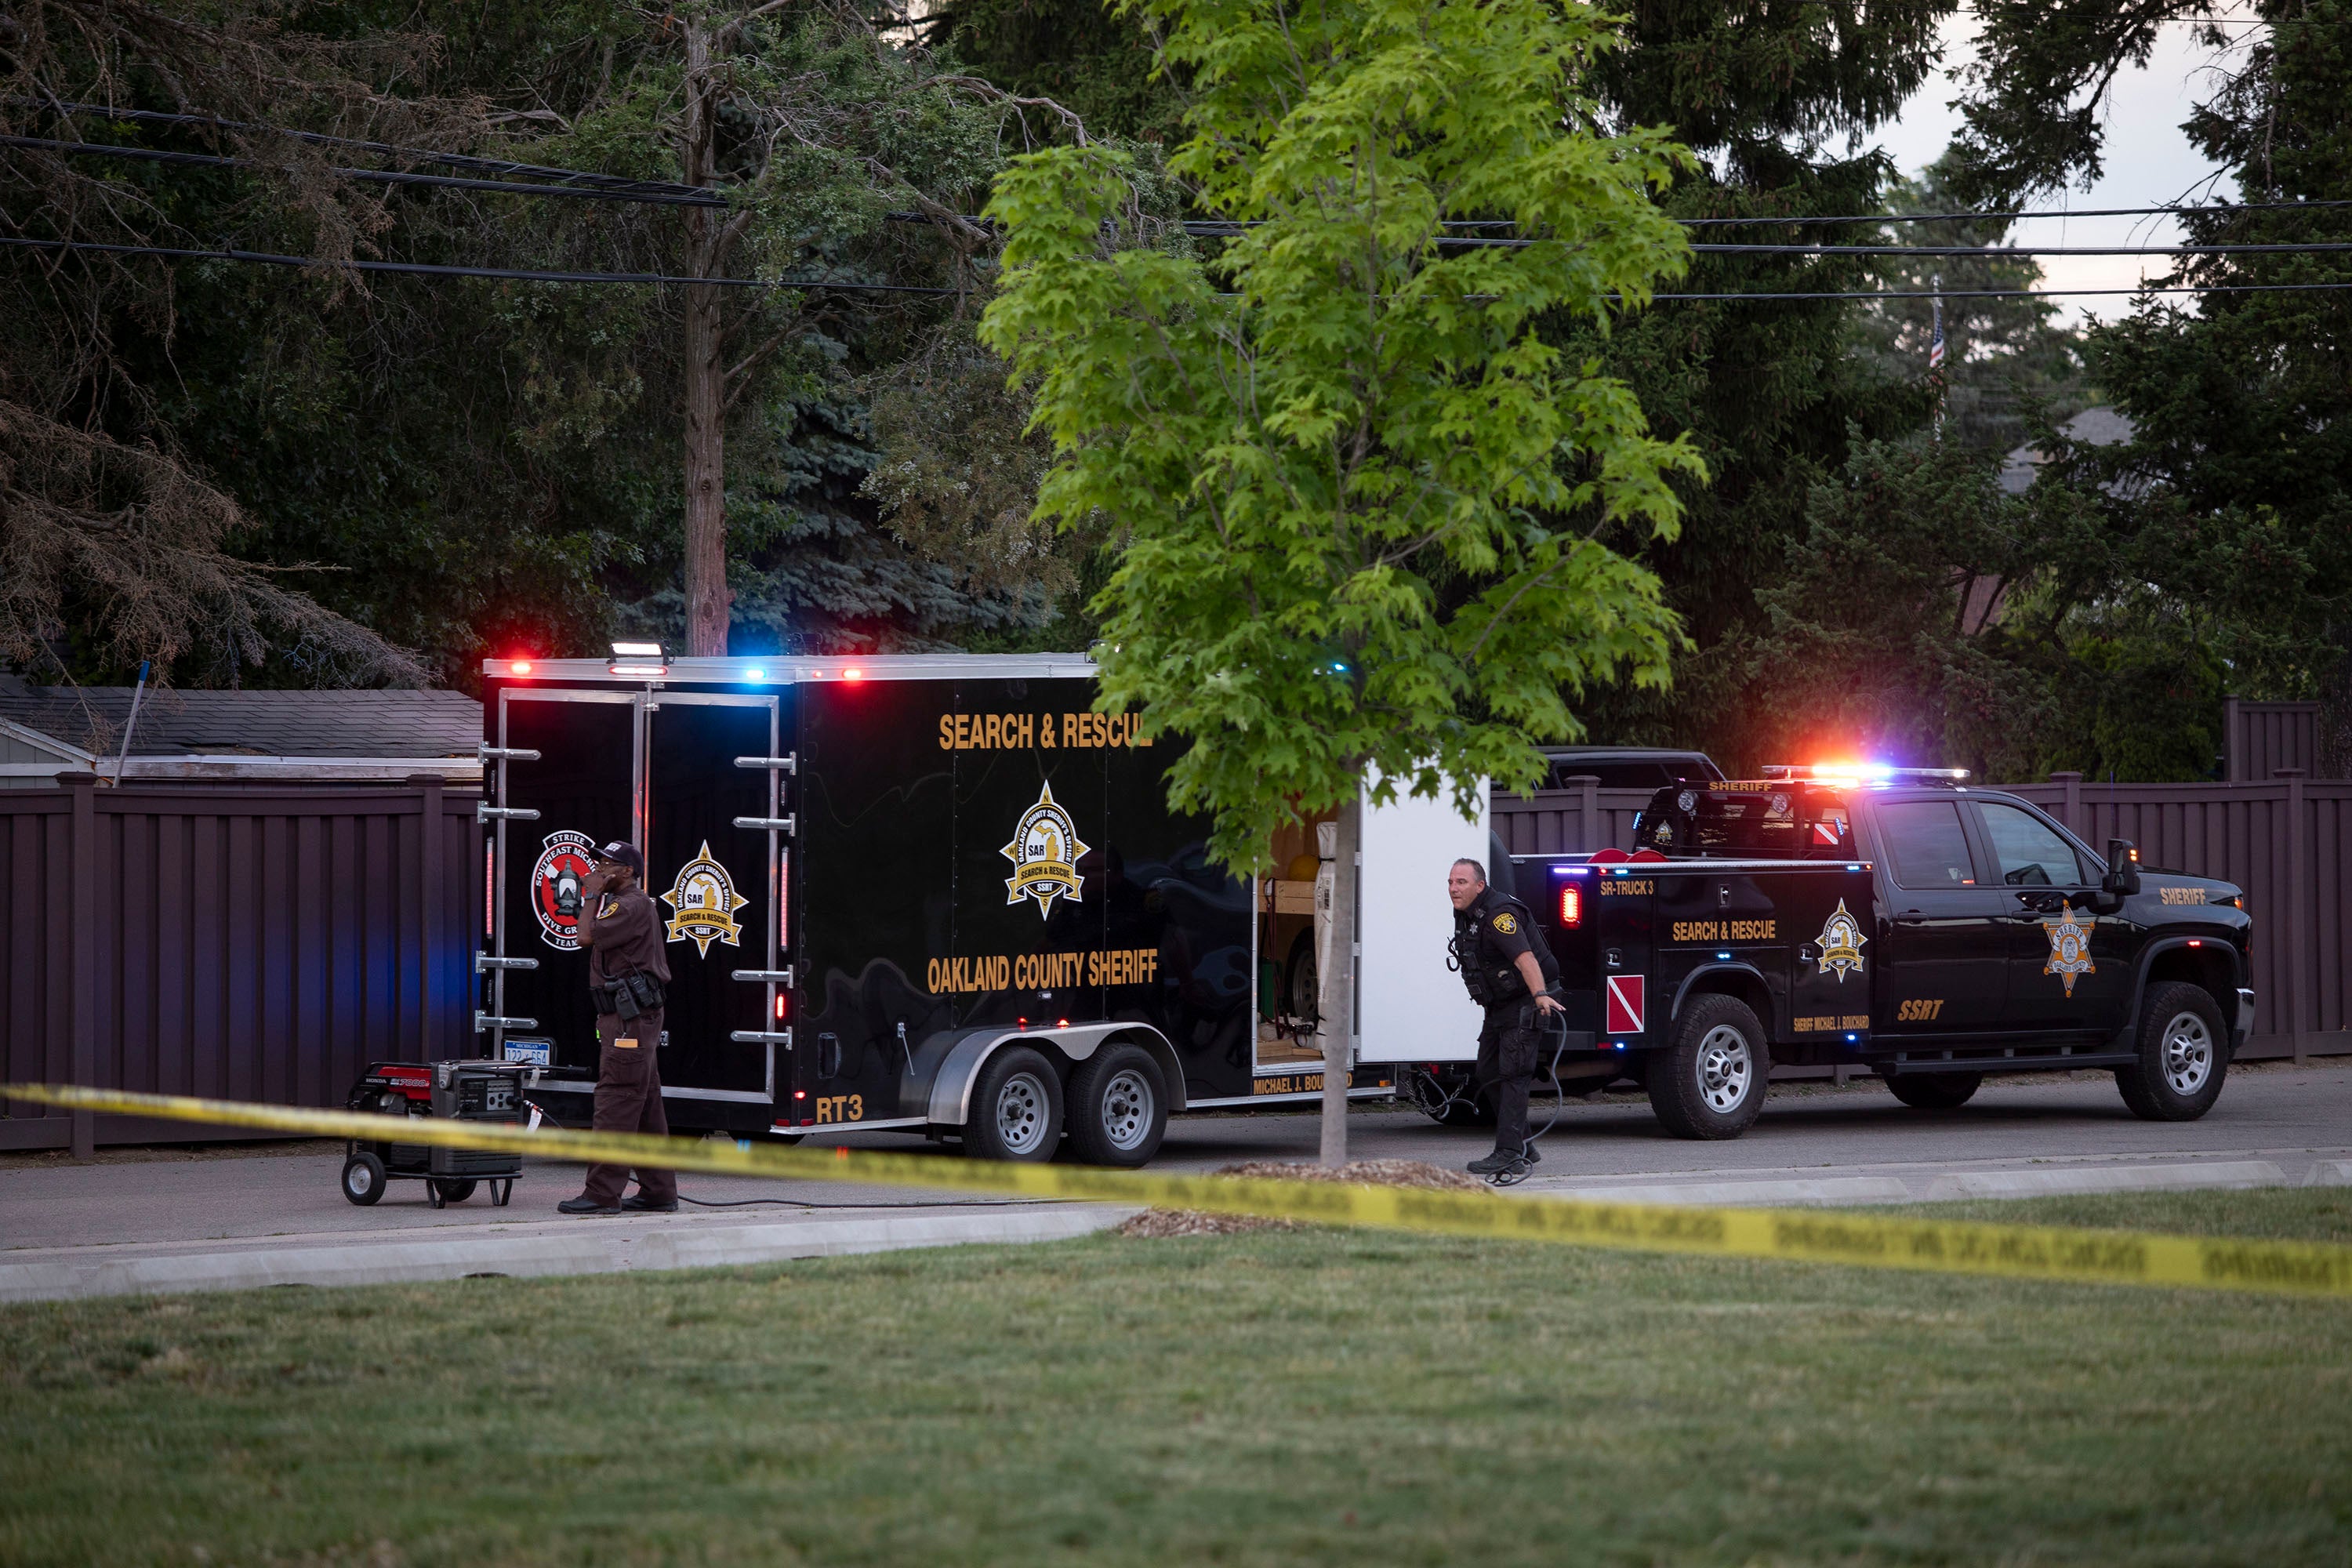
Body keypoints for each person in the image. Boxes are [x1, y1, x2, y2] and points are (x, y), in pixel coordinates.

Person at [557, 841, 680, 1215]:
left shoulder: (630, 905)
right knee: (644, 1108)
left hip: (629, 1020)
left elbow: (584, 936)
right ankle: (658, 1191)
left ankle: (601, 1195)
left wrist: (590, 894)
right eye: (598, 862)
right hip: (627, 1016)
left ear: (627, 872)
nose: (598, 868)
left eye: (607, 864)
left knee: (615, 1101)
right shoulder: (625, 904)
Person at [1446, 858, 1563, 1178]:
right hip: (1501, 1004)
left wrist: (1540, 996)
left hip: (1528, 998)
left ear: (1480, 886)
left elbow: (1525, 959)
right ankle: (1524, 1143)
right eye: (1451, 882)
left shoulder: (1499, 916)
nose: (1454, 889)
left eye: (1461, 882)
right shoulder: (1469, 913)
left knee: (1514, 1073)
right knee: (1488, 1070)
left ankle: (1510, 1153)